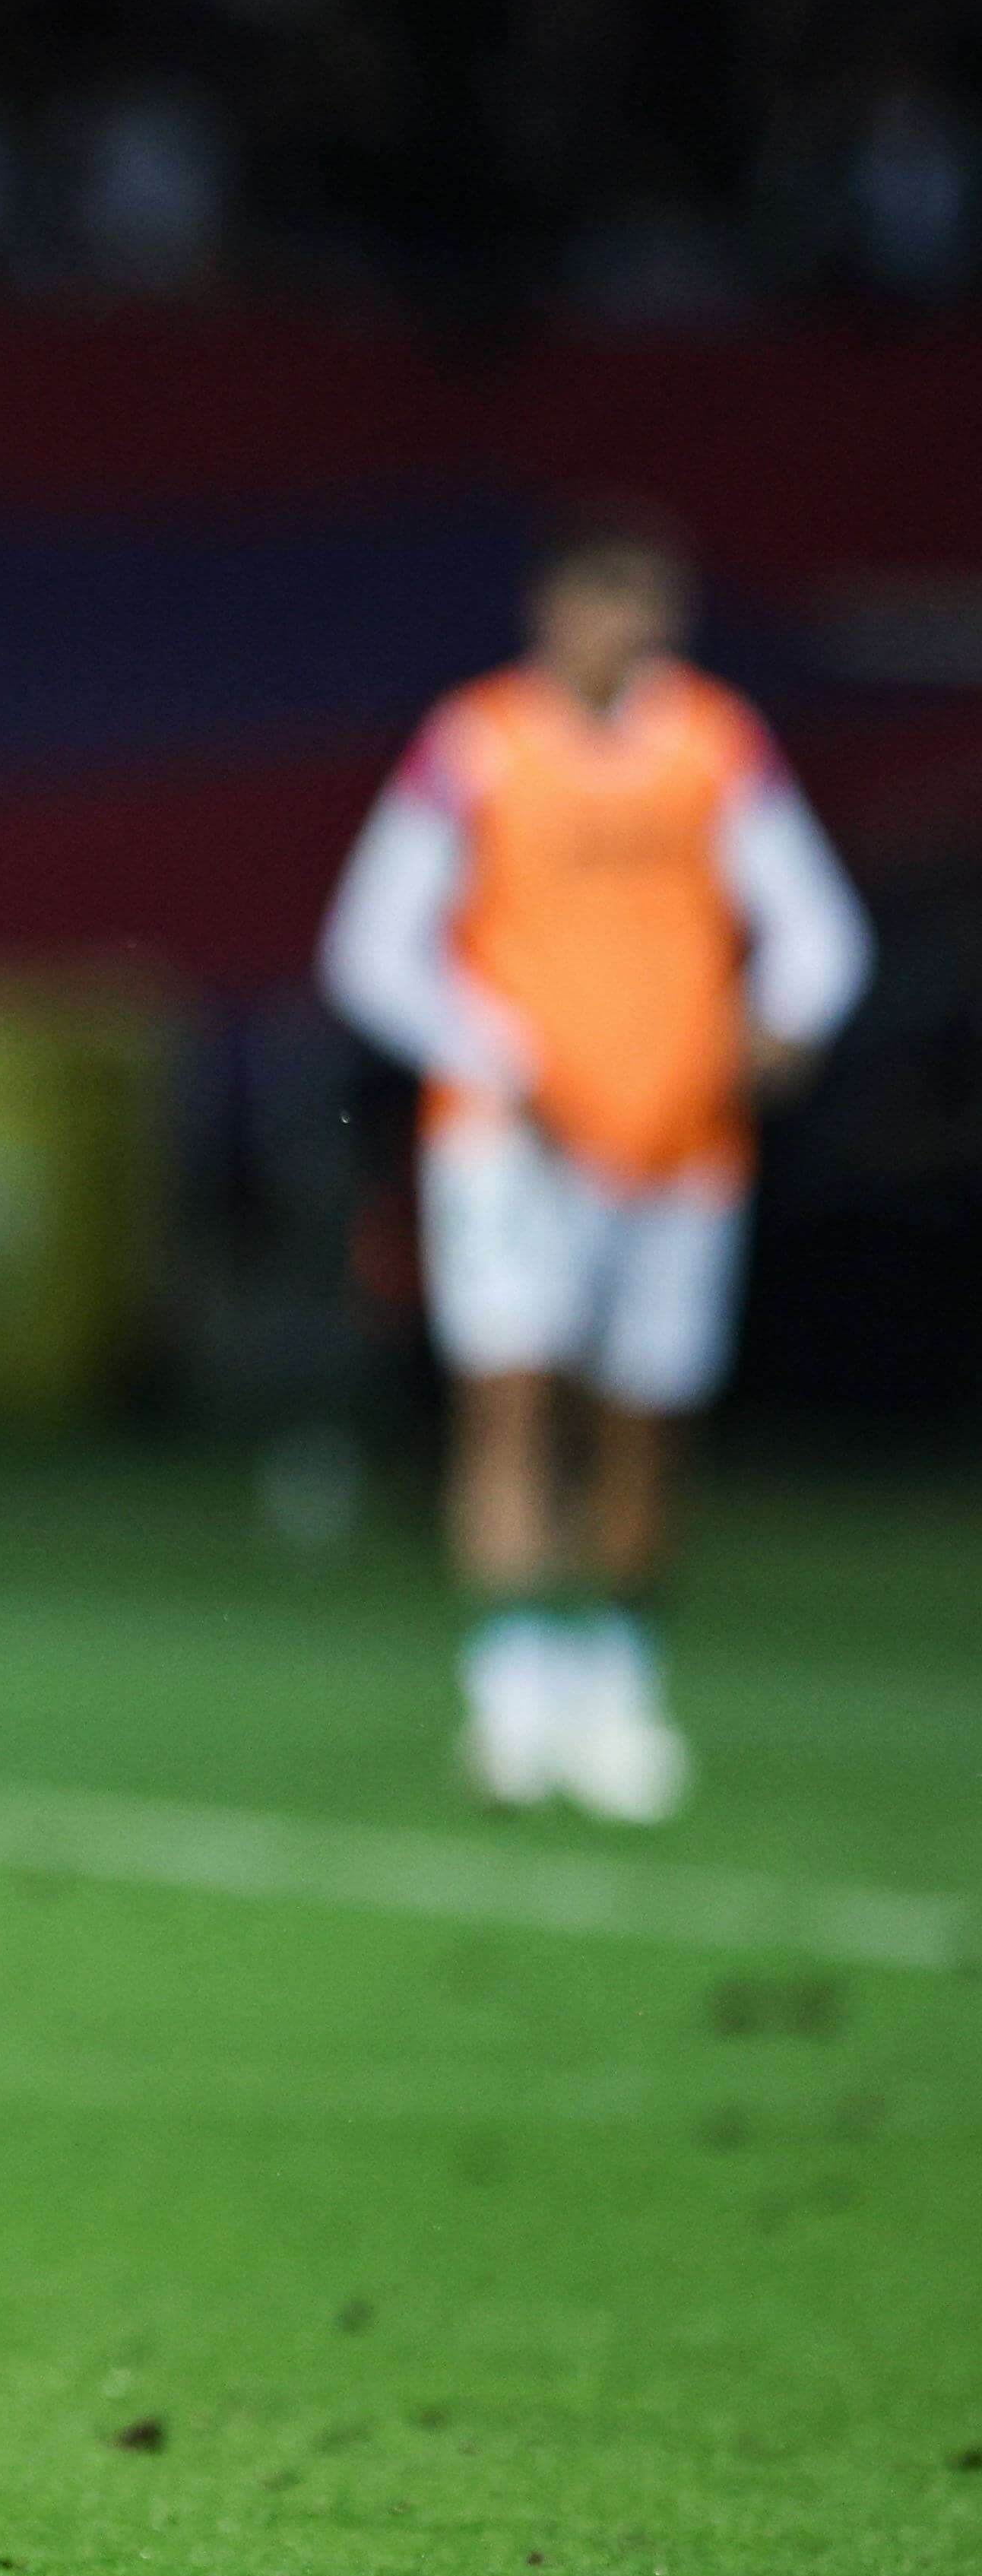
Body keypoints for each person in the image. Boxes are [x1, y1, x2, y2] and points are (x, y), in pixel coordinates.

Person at [318, 511, 870, 1820]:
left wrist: (780, 1023)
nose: (633, 631)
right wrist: (510, 1064)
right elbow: (373, 944)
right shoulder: (478, 746)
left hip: (677, 1144)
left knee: (641, 1420)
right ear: (552, 608)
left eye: (653, 606)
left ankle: (615, 1690)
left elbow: (817, 929)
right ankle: (511, 1697)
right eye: (609, 601)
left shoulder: (713, 745)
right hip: (513, 1143)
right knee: (512, 1398)